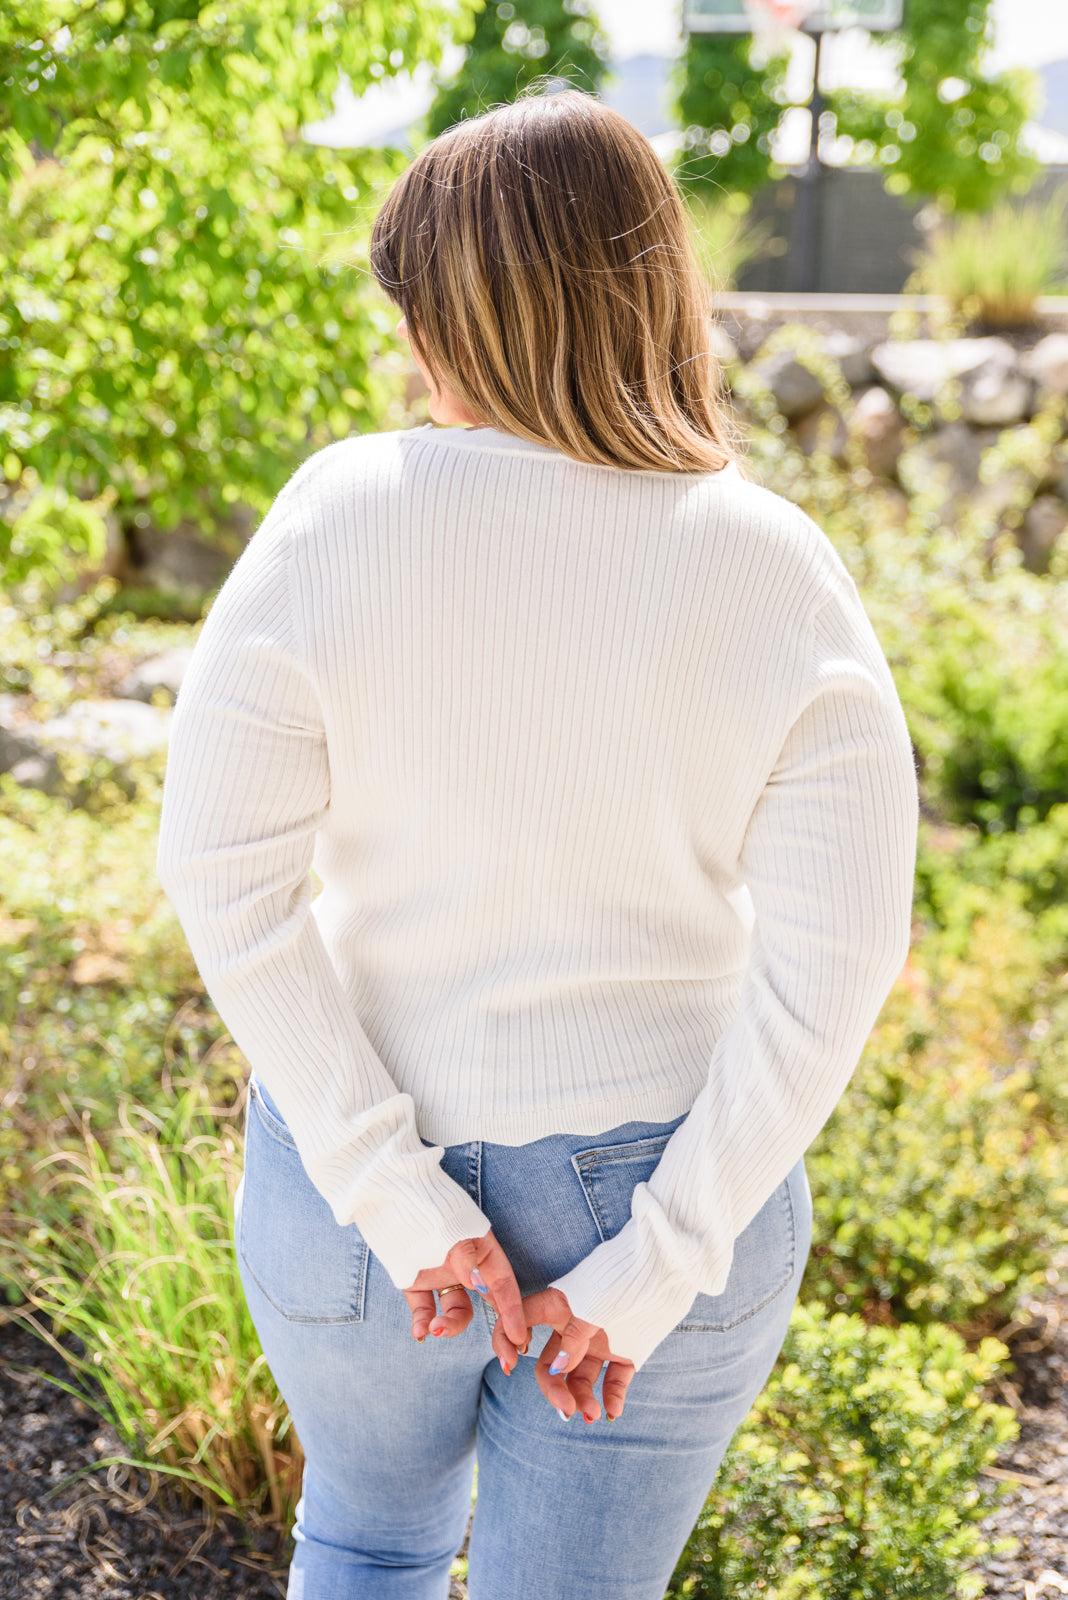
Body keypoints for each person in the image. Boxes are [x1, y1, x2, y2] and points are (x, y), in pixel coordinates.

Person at [156, 88, 918, 1600]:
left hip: (357, 1178)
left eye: (418, 314)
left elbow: (222, 879)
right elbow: (842, 962)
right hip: (669, 1169)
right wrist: (659, 1259)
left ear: (459, 322)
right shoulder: (773, 561)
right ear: (651, 292)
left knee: (366, 1545)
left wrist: (393, 1192)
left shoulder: (334, 516)